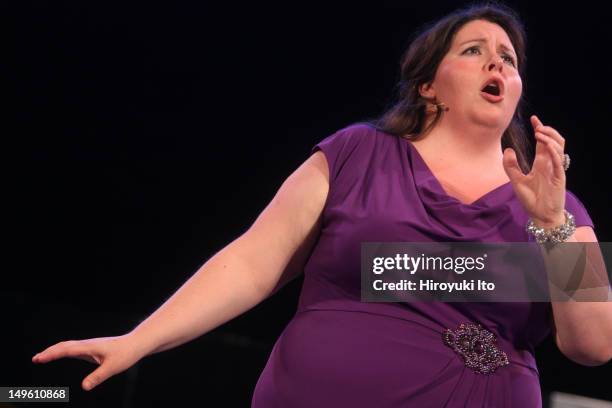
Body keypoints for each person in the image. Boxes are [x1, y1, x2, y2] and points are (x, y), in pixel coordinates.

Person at [32, 3, 612, 407]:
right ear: (428, 85)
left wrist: (551, 224)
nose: (498, 64)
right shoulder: (354, 153)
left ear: (515, 92)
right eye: (474, 50)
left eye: (509, 59)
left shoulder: (561, 209)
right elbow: (253, 262)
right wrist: (140, 339)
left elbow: (594, 344)